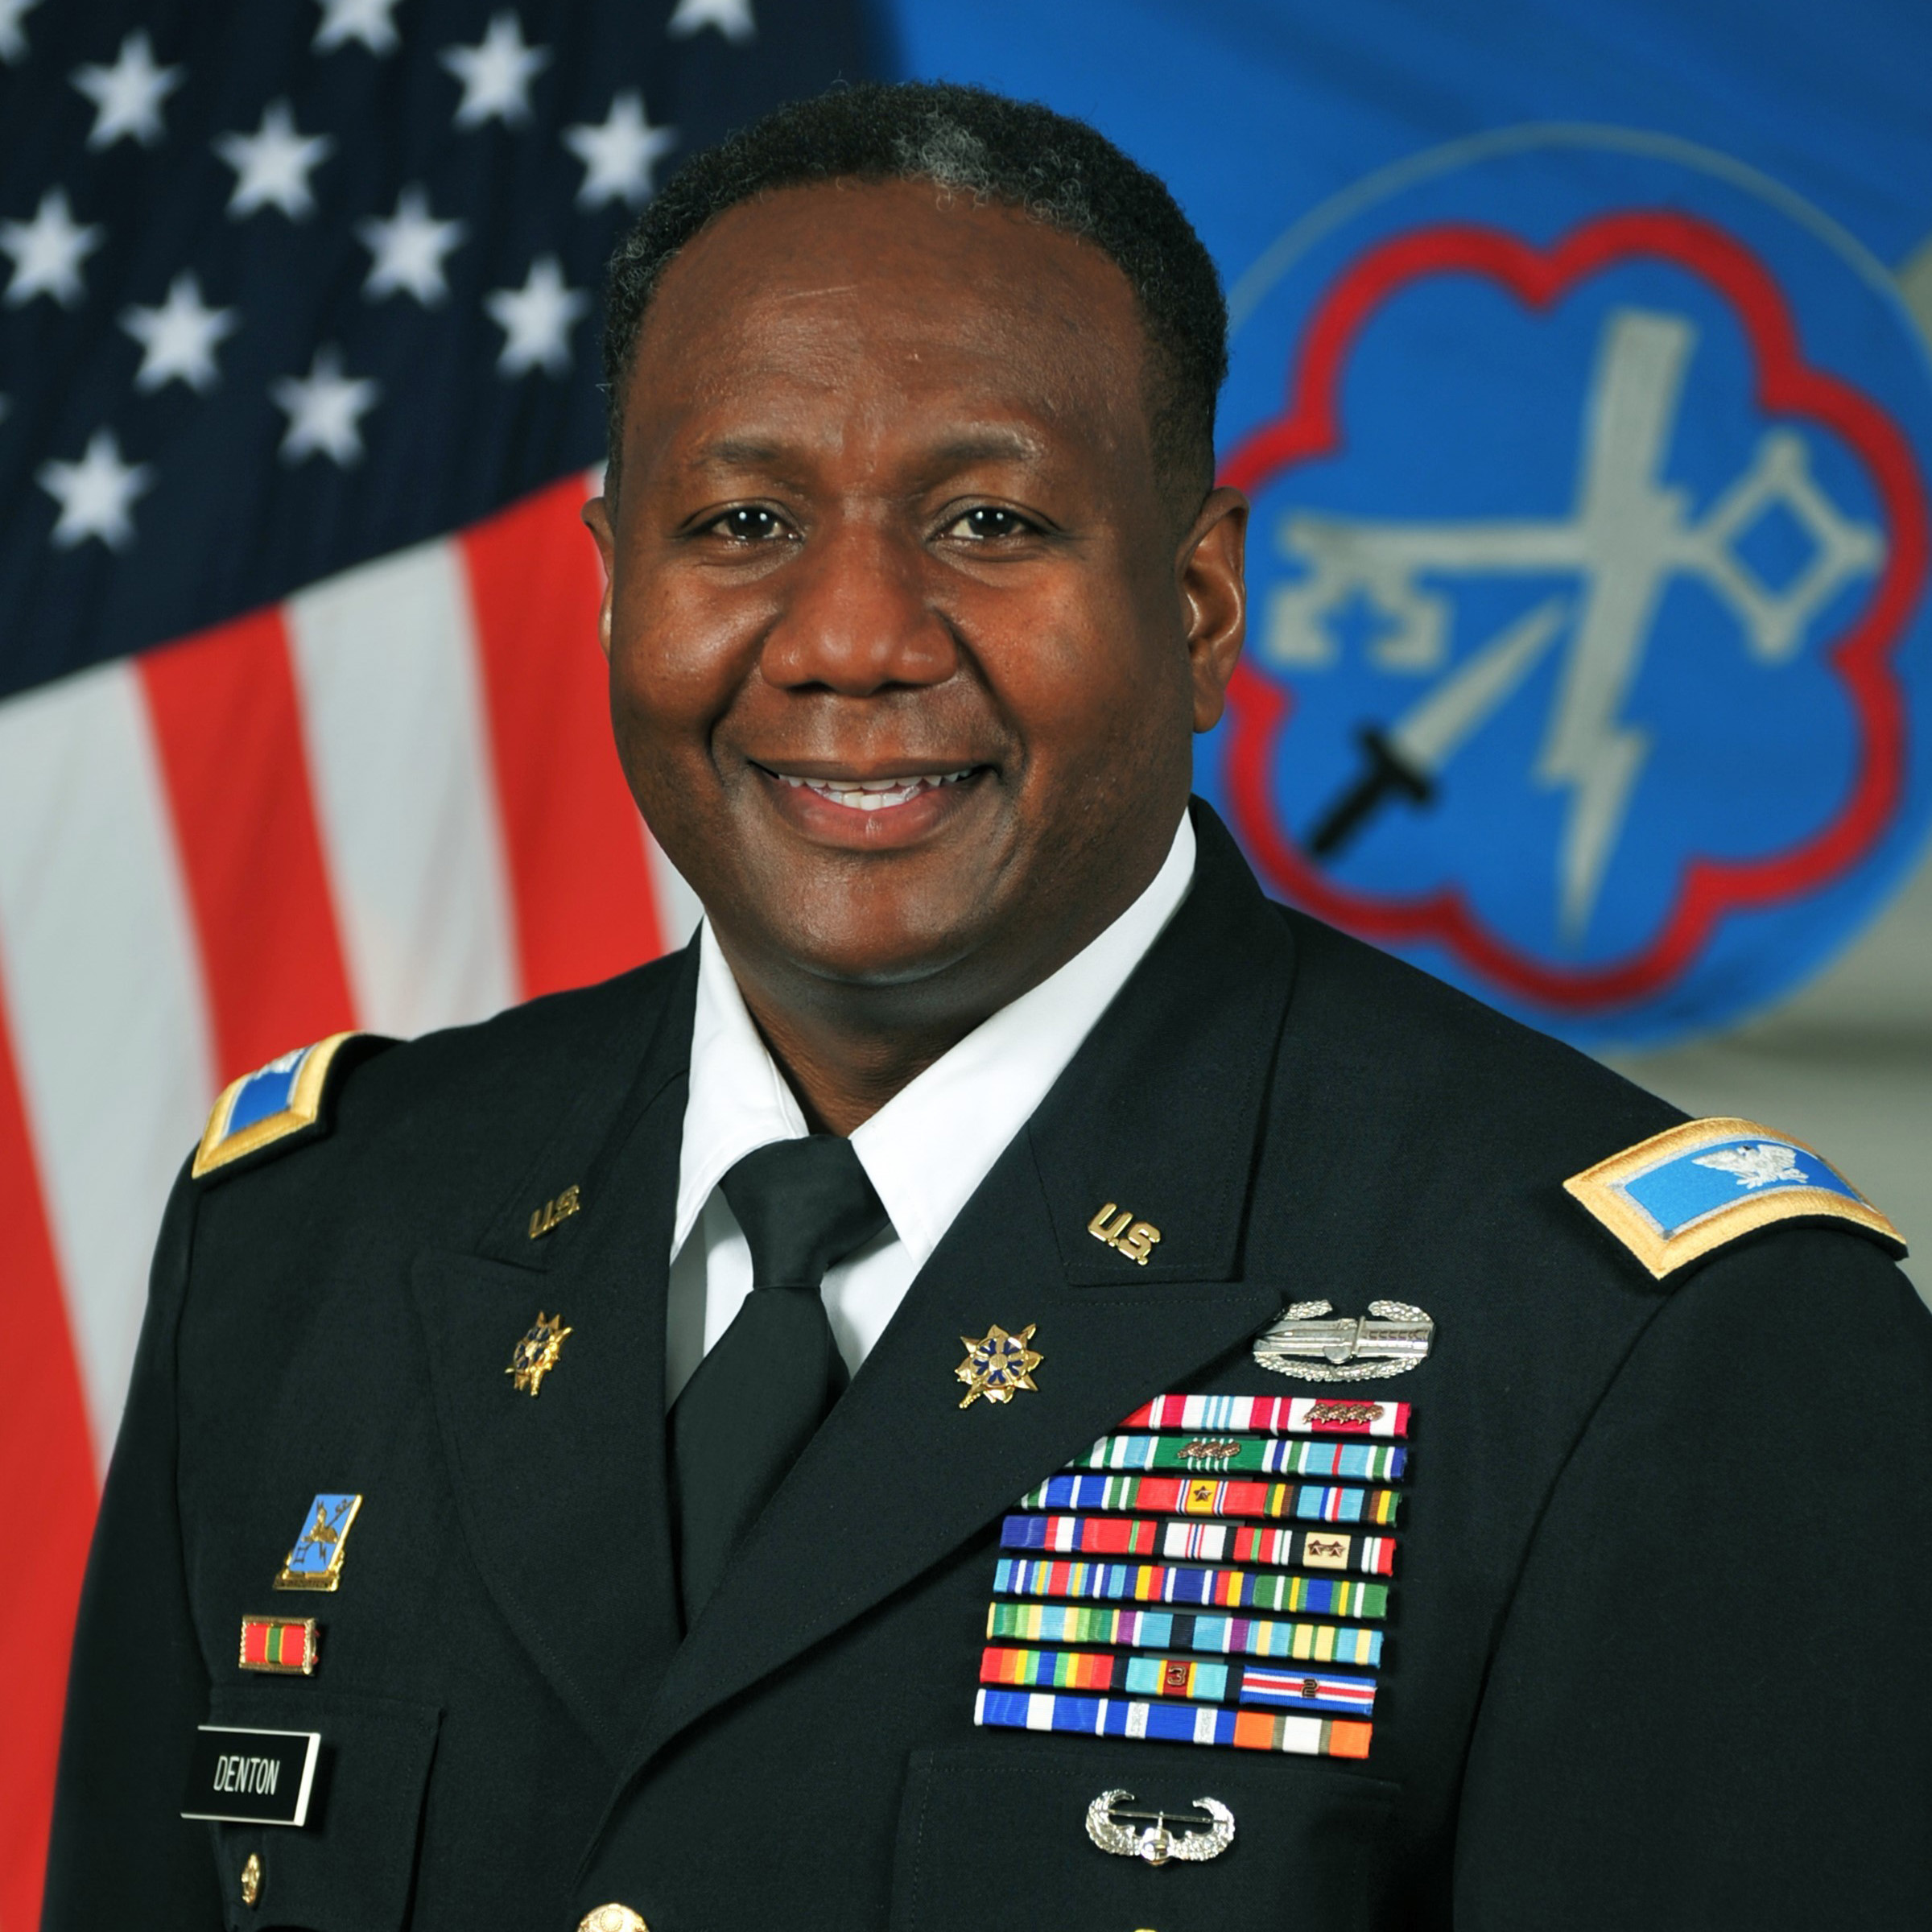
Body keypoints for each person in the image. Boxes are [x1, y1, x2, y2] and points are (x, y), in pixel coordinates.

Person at [42, 80, 1931, 1932]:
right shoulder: (307, 1245)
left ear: (1198, 606)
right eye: (743, 526)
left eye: (992, 526)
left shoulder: (1652, 1350)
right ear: (617, 590)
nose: (854, 637)